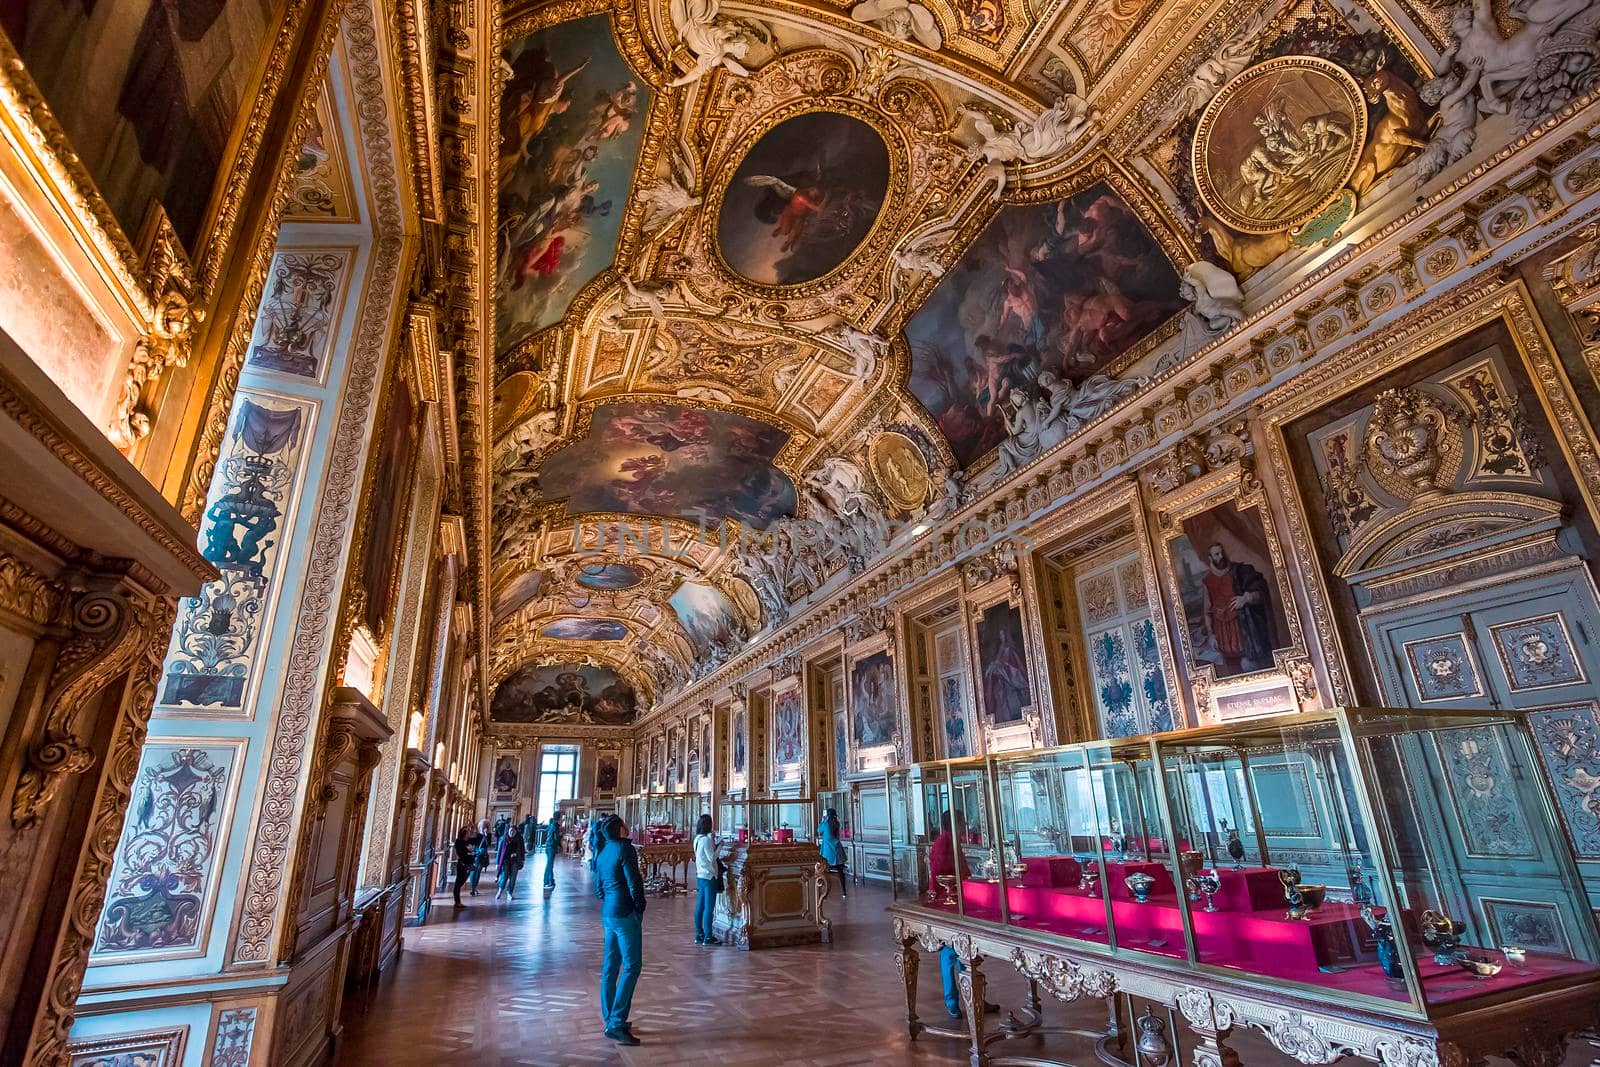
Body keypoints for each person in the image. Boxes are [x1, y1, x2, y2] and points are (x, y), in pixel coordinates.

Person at [930, 811, 999, 1019]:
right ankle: (952, 1000)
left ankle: (974, 997)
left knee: (967, 952)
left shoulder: (952, 841)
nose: (965, 825)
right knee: (950, 953)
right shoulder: (944, 842)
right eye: (961, 822)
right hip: (948, 901)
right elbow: (940, 874)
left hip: (960, 898)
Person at [593, 814, 646, 1045]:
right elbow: (634, 881)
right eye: (625, 823)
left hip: (608, 913)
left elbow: (599, 888)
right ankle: (616, 1022)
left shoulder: (603, 851)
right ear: (621, 829)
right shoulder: (626, 849)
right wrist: (639, 907)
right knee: (632, 966)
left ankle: (610, 1019)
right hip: (624, 913)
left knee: (610, 967)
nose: (628, 825)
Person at [1199, 541, 1276, 676]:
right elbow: (1207, 611)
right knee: (1234, 671)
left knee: (1254, 667)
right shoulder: (1208, 580)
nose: (1221, 556)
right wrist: (1211, 634)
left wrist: (1246, 597)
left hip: (1244, 628)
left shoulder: (1240, 571)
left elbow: (1260, 590)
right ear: (1210, 558)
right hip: (1223, 633)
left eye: (1222, 552)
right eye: (1217, 554)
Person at [692, 813, 721, 945]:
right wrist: (720, 846)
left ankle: (699, 933)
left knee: (700, 905)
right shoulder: (706, 840)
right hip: (709, 876)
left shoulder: (697, 839)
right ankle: (708, 936)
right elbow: (712, 858)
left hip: (700, 875)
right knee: (709, 907)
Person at [818, 808, 848, 900]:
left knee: (823, 871)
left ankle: (823, 892)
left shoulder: (826, 823)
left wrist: (823, 819)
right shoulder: (836, 823)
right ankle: (844, 892)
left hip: (827, 851)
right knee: (840, 871)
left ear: (827, 815)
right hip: (837, 849)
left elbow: (819, 830)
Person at [497, 824, 527, 901]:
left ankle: (509, 892)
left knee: (513, 877)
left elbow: (522, 850)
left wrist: (523, 859)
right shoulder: (504, 839)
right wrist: (497, 863)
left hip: (515, 860)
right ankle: (500, 889)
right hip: (506, 860)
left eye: (513, 831)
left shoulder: (519, 839)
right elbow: (499, 852)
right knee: (505, 876)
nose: (512, 833)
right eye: (510, 831)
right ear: (508, 831)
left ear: (516, 832)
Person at [452, 823, 478, 908]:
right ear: (464, 834)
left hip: (469, 864)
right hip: (462, 864)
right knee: (458, 883)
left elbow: (477, 836)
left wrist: (473, 828)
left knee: (462, 882)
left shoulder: (469, 840)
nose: (469, 834)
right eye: (467, 833)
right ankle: (457, 902)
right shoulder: (459, 842)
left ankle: (458, 902)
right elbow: (462, 854)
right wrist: (470, 853)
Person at [469, 818, 492, 896]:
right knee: (473, 871)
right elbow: (471, 841)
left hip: (482, 856)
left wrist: (486, 836)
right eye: (482, 826)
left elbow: (488, 844)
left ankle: (474, 888)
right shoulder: (476, 834)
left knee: (478, 872)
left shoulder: (488, 835)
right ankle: (473, 887)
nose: (483, 828)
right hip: (475, 854)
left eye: (485, 826)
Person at [544, 810, 564, 891]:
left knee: (550, 865)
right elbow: (556, 838)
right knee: (549, 865)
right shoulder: (555, 826)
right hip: (551, 847)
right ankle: (546, 882)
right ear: (559, 818)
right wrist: (560, 837)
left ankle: (551, 881)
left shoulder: (551, 825)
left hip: (548, 846)